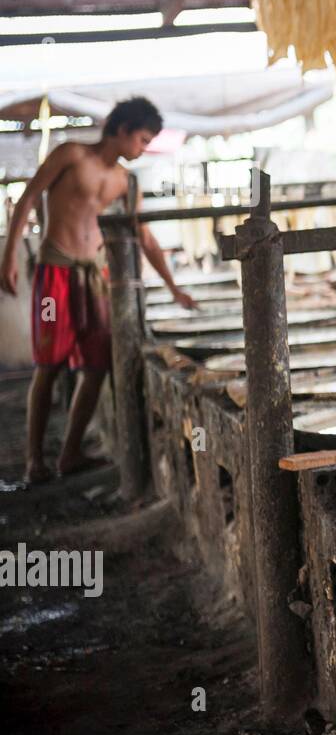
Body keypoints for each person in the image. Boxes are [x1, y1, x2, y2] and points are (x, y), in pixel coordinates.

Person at [0, 97, 195, 485]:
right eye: (141, 140)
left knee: (97, 363)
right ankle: (34, 460)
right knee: (49, 363)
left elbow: (144, 237)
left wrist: (174, 288)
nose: (142, 149)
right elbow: (25, 200)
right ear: (121, 130)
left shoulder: (125, 180)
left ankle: (70, 454)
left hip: (93, 280)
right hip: (54, 276)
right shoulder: (71, 155)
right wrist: (8, 260)